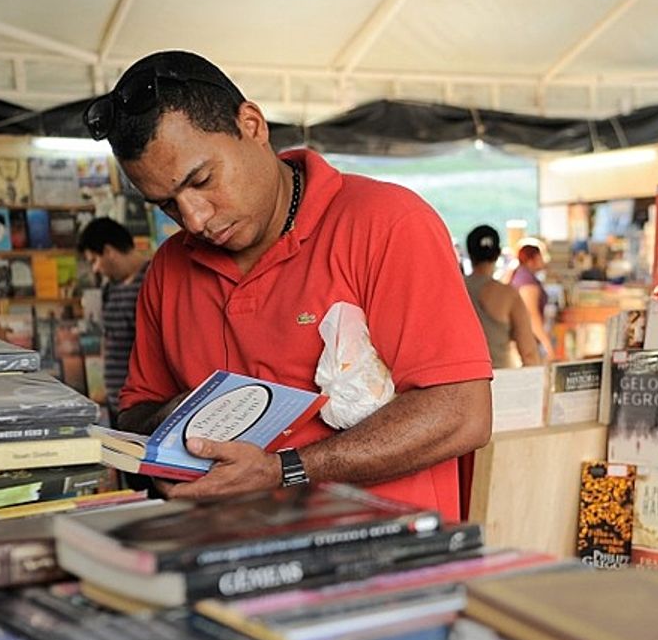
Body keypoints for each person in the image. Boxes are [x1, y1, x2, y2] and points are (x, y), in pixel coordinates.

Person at [85, 50, 492, 516]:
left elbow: (462, 414)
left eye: (202, 180)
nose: (194, 218)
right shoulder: (168, 271)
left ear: (252, 125)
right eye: (167, 205)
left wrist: (285, 469)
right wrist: (191, 414)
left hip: (385, 562)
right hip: (232, 563)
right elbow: (136, 418)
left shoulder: (388, 223)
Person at [78, 217, 150, 420]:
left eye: (94, 260)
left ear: (109, 251)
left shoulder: (152, 279)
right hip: (116, 404)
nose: (95, 269)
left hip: (143, 405)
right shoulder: (110, 288)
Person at [463, 225, 540, 369]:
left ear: (469, 253)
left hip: (460, 382)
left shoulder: (454, 290)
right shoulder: (508, 295)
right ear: (498, 254)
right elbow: (528, 353)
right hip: (499, 379)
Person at [509, 238, 553, 359]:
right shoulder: (527, 281)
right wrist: (547, 344)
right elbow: (532, 315)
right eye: (541, 256)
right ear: (533, 259)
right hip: (528, 341)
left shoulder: (522, 275)